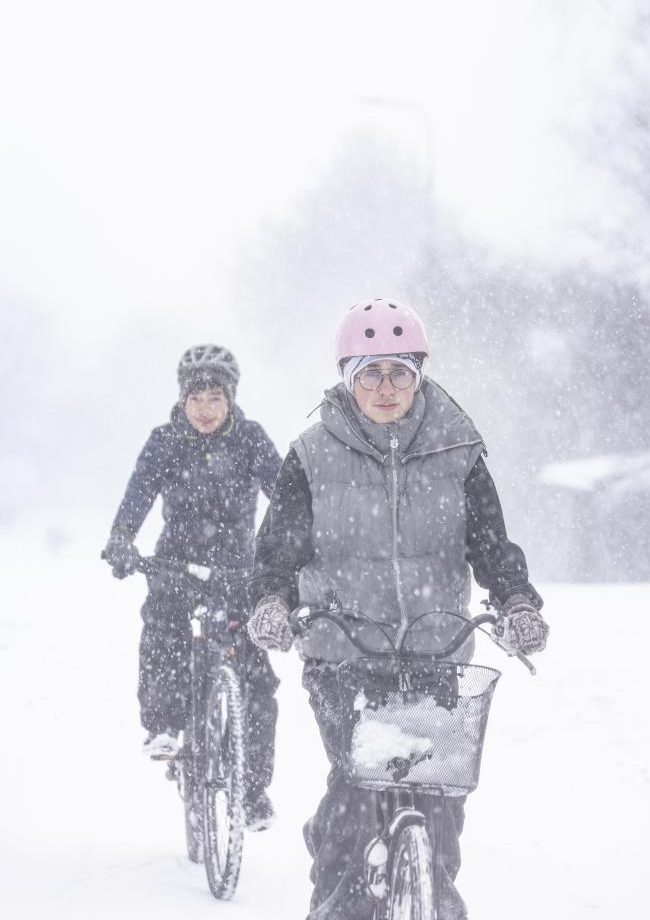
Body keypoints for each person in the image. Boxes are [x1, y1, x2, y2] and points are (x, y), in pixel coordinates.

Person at [247, 298, 549, 918]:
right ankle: (338, 902)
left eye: (398, 373)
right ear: (347, 378)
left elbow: (491, 544)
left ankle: (433, 896)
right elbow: (277, 552)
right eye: (369, 374)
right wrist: (273, 603)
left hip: (437, 650)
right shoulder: (310, 455)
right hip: (342, 653)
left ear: (419, 373)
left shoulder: (458, 448)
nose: (386, 388)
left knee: (439, 804)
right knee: (358, 797)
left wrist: (517, 601)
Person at [103, 343, 282, 831]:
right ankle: (164, 726)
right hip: (175, 567)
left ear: (231, 400)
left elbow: (286, 498)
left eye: (215, 398)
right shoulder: (164, 442)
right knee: (163, 630)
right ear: (182, 399)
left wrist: (297, 550)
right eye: (196, 398)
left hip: (238, 575)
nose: (204, 409)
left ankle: (252, 790)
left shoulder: (250, 439)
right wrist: (122, 539)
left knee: (257, 678)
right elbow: (137, 494)